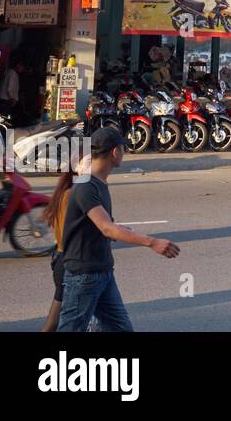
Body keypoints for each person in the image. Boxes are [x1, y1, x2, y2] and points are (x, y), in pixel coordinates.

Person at [57, 128, 180, 332]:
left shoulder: (98, 183)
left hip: (102, 271)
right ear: (115, 152)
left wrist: (120, 229)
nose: (125, 152)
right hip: (84, 274)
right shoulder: (86, 186)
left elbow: (102, 226)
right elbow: (107, 228)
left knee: (120, 329)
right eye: (123, 148)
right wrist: (152, 242)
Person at [40, 161, 76, 332]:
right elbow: (71, 233)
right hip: (68, 261)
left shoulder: (64, 192)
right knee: (55, 322)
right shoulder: (71, 195)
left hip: (61, 258)